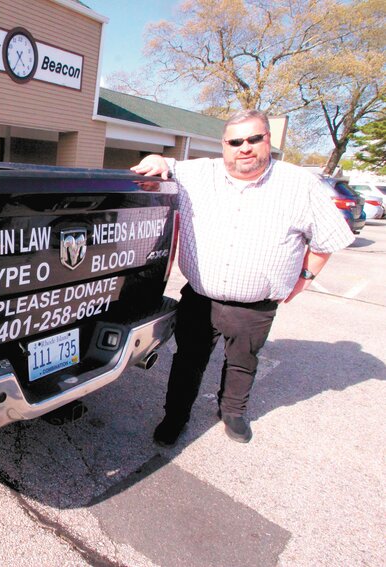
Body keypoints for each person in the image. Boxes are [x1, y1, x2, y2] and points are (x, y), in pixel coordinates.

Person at [130, 109, 354, 446]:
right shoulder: (199, 174)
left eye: (253, 139)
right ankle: (174, 417)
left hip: (255, 307)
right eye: (235, 141)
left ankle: (232, 412)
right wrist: (156, 160)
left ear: (268, 140)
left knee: (242, 364)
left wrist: (305, 276)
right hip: (200, 298)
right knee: (187, 362)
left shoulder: (301, 185)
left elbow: (327, 240)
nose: (244, 147)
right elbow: (163, 163)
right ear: (224, 145)